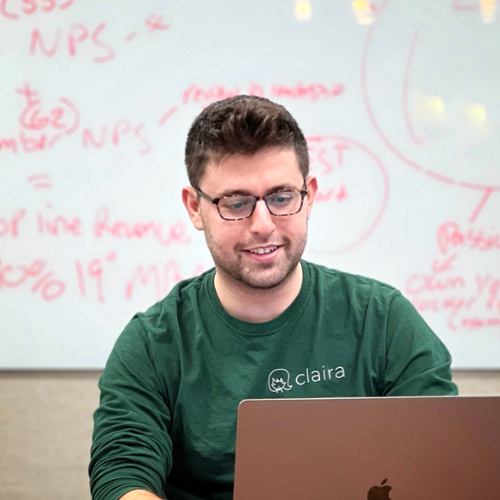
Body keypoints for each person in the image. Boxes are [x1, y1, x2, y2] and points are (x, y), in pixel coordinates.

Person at [89, 95, 458, 500]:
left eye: (281, 198)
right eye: (236, 203)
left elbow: (439, 460)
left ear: (309, 196)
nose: (262, 226)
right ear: (195, 208)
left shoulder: (383, 320)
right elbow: (122, 473)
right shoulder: (153, 343)